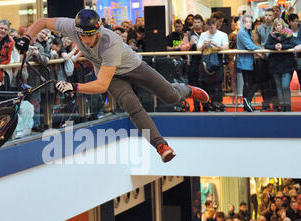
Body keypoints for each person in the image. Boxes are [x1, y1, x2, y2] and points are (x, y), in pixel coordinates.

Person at [23, 9, 210, 162]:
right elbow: (43, 22)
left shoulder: (109, 42)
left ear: (98, 30)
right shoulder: (71, 26)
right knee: (131, 104)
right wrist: (26, 38)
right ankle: (160, 145)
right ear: (76, 30)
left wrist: (75, 87)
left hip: (133, 66)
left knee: (170, 96)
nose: (86, 41)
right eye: (82, 36)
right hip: (110, 74)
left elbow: (101, 86)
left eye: (91, 36)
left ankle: (189, 89)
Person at [197, 18, 229, 112]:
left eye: (212, 27)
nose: (211, 29)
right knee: (205, 84)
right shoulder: (203, 35)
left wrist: (217, 46)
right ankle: (206, 105)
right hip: (205, 62)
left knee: (217, 84)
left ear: (216, 25)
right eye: (209, 27)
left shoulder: (222, 35)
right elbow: (199, 48)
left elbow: (226, 48)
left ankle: (217, 104)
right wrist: (204, 46)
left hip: (217, 62)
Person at [265, 18, 296, 112]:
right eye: (275, 25)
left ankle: (288, 105)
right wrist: (274, 47)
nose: (277, 27)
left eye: (279, 25)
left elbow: (293, 44)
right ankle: (282, 106)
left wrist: (283, 46)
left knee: (285, 85)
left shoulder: (289, 34)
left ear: (283, 25)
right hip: (275, 63)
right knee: (278, 85)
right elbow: (267, 45)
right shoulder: (271, 35)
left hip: (287, 63)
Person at [237, 14, 261, 112]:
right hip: (244, 62)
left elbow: (251, 45)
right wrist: (261, 49)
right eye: (246, 22)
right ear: (243, 23)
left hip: (250, 61)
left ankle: (247, 103)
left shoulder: (249, 31)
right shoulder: (242, 32)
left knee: (252, 82)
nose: (248, 24)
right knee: (248, 83)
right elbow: (249, 45)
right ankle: (247, 103)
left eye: (250, 22)